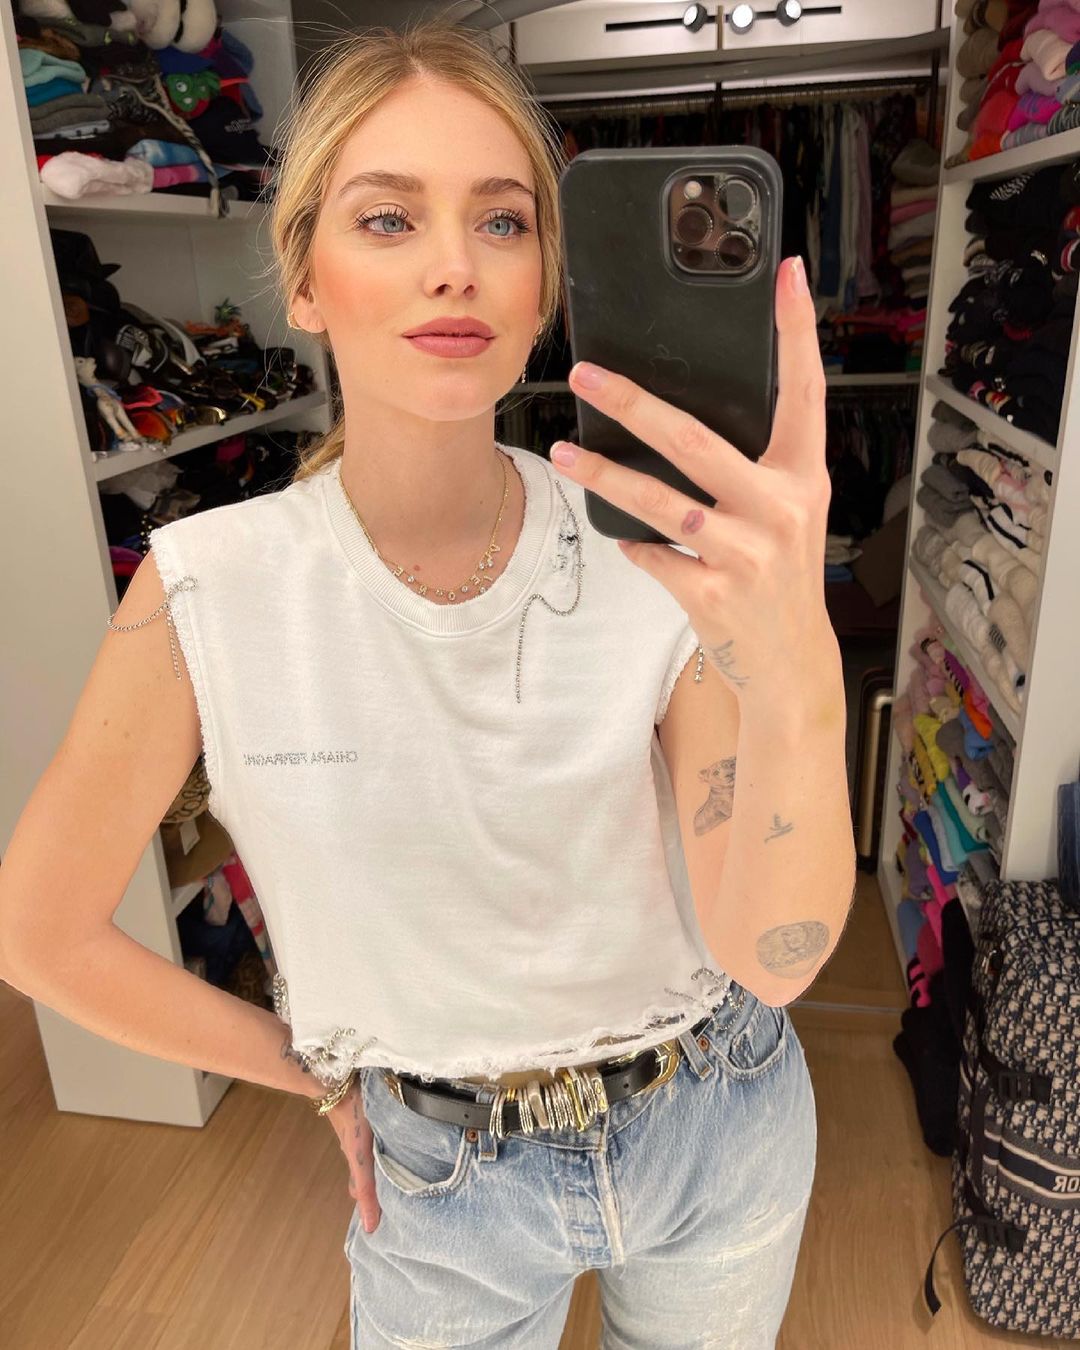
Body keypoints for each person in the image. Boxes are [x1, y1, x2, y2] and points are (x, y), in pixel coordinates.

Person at [0, 15, 856, 1350]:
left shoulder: (651, 552)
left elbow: (775, 954)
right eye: (388, 220)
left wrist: (797, 651)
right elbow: (41, 933)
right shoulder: (207, 590)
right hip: (443, 1182)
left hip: (717, 1113)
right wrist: (313, 1076)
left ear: (546, 282)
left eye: (503, 222)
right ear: (304, 277)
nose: (454, 264)